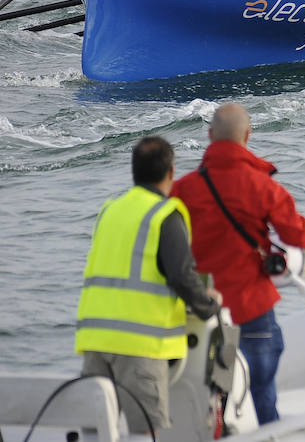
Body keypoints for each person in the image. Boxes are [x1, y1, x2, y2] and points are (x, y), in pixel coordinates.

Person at [171, 103, 305, 426]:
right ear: (248, 136)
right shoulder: (262, 186)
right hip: (251, 307)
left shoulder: (182, 190)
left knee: (204, 394)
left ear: (210, 136)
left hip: (199, 310)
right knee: (262, 390)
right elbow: (298, 235)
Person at [76, 136, 223, 434]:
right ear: (171, 173)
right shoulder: (164, 215)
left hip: (95, 340)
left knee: (96, 429)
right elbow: (181, 276)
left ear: (134, 171)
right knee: (146, 432)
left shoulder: (109, 210)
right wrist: (208, 306)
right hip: (138, 346)